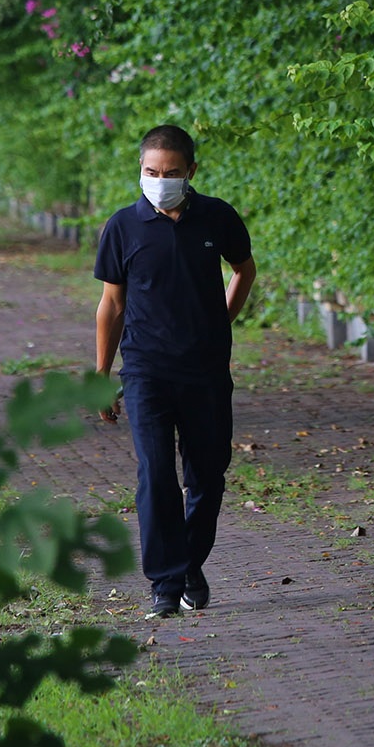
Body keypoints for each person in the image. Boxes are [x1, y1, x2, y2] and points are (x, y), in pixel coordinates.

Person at [93, 124, 256, 618]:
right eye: (150, 172)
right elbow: (111, 305)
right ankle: (164, 583)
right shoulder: (122, 227)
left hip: (205, 370)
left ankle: (189, 564)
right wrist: (102, 375)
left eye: (171, 172)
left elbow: (244, 270)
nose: (160, 180)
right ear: (140, 171)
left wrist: (220, 321)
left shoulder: (217, 217)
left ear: (191, 172)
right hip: (145, 371)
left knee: (208, 475)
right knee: (156, 473)